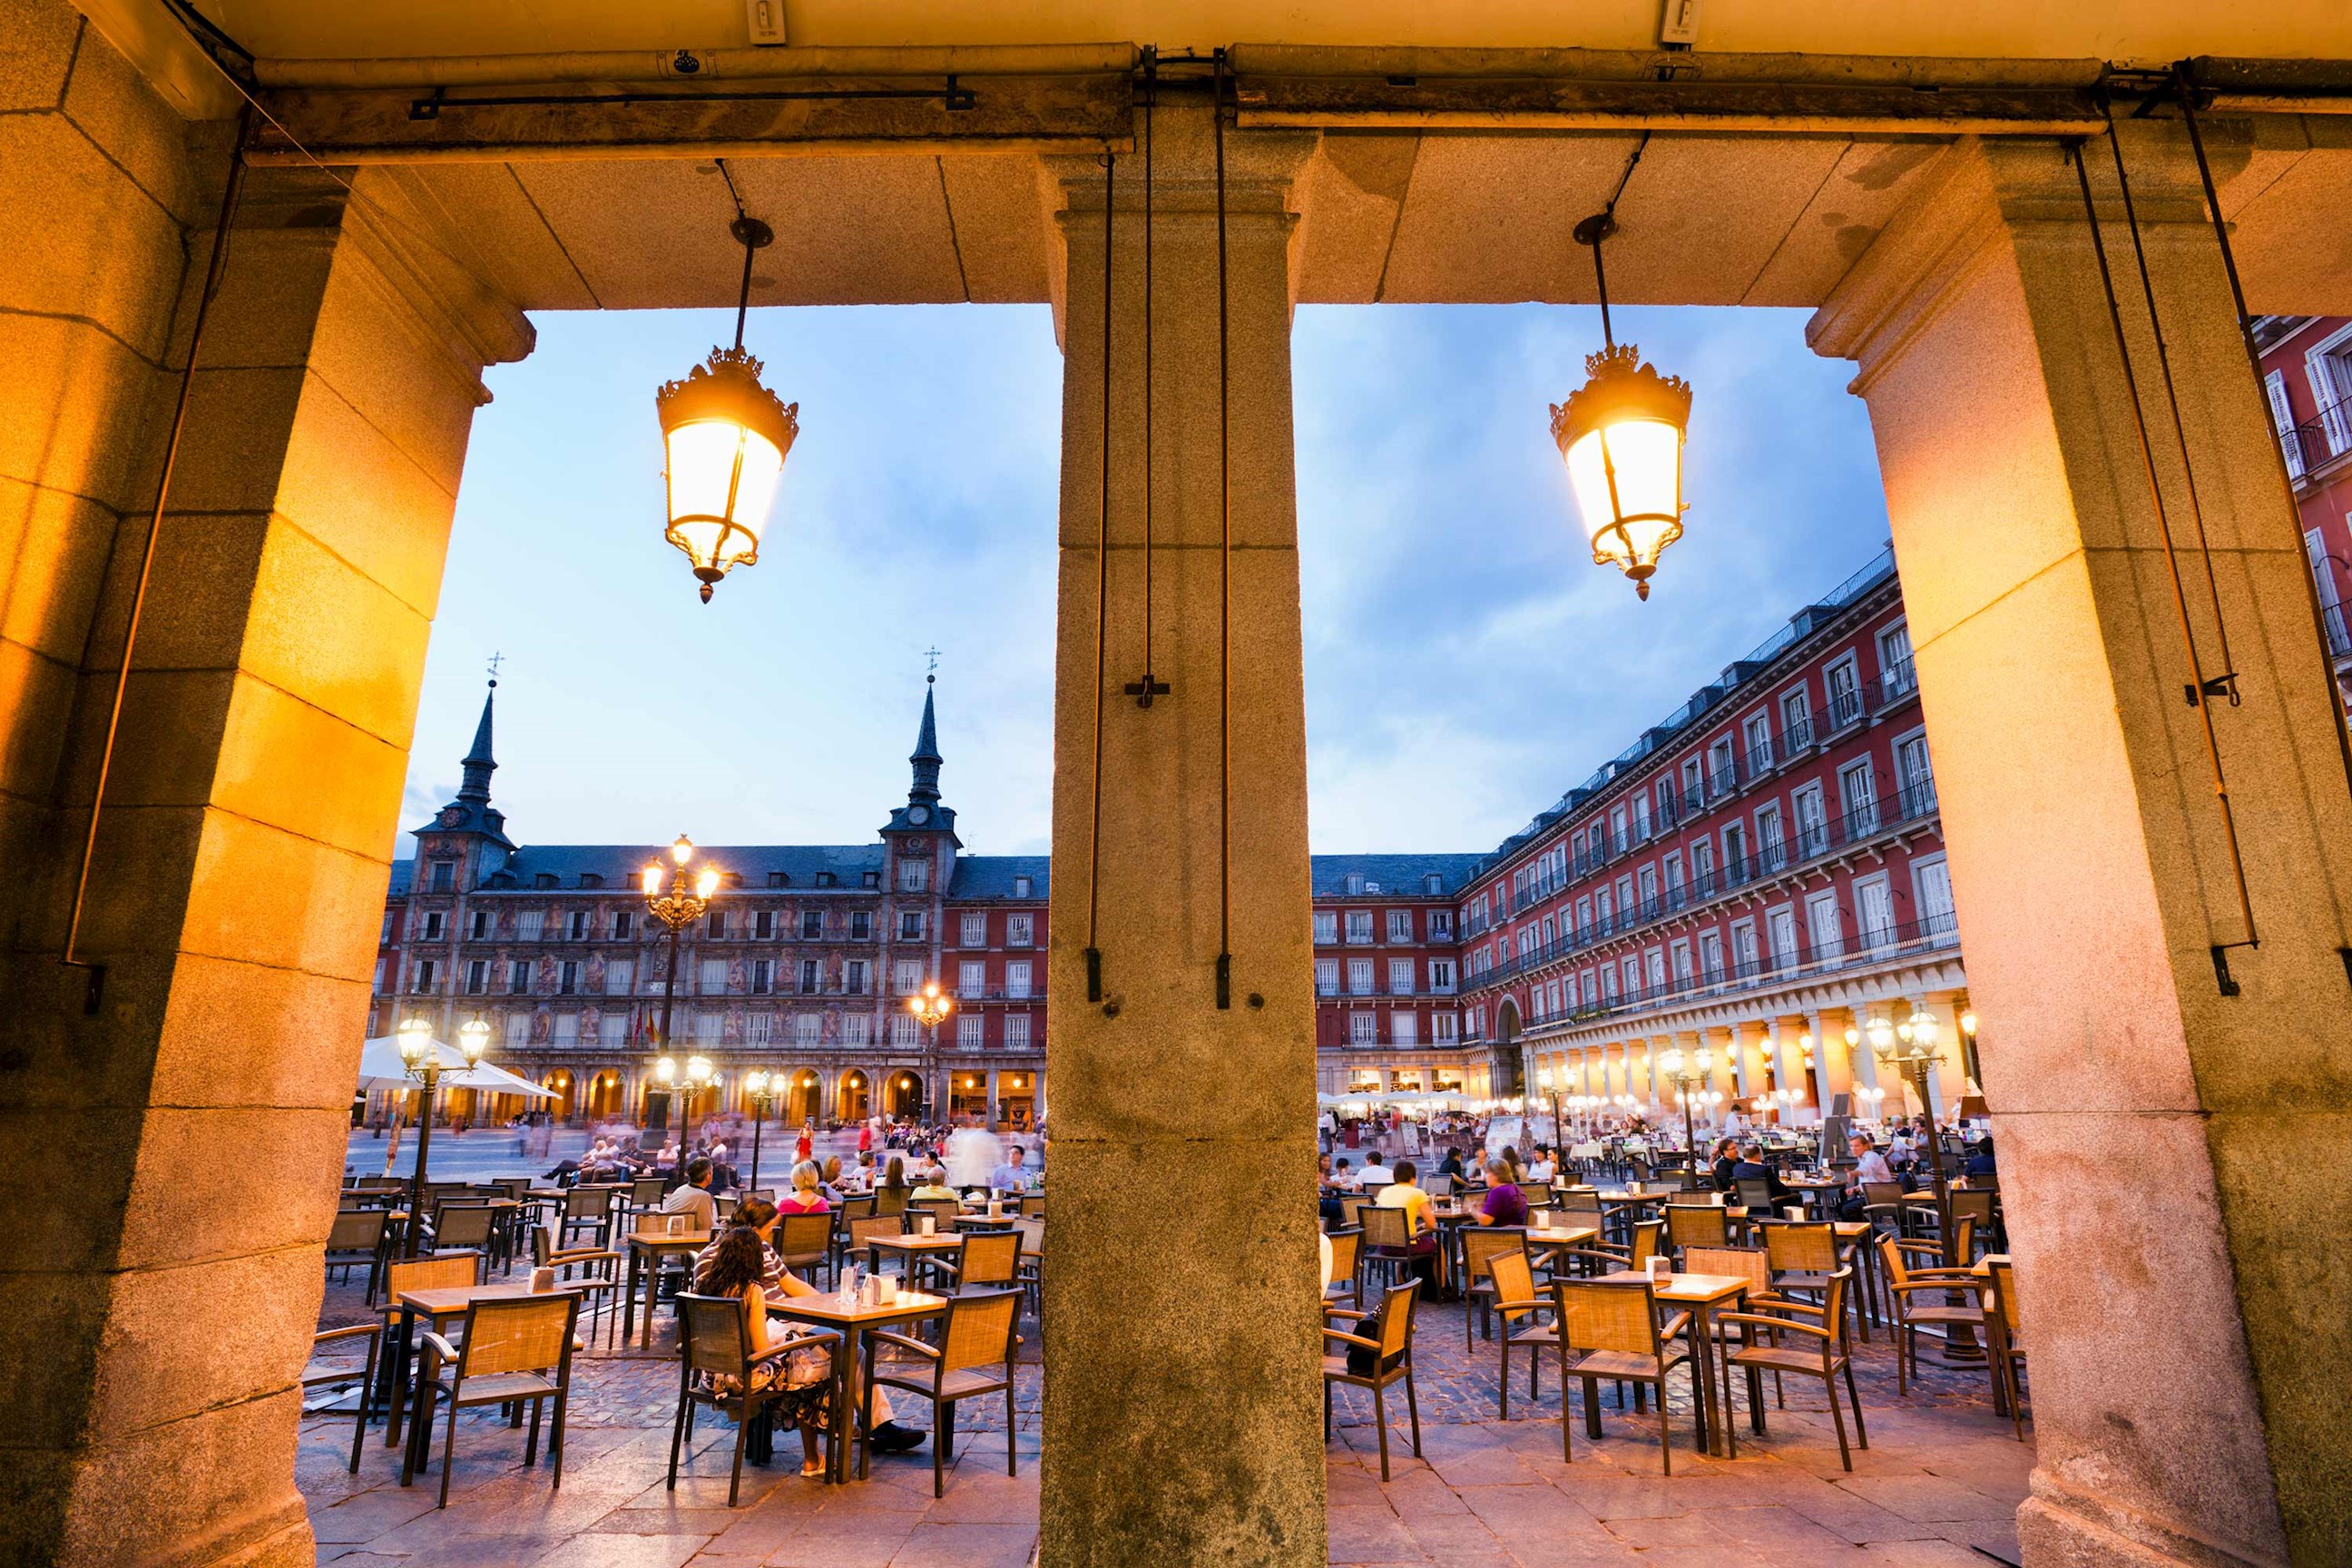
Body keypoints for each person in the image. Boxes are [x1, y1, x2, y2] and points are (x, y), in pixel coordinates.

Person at [695, 1200, 926, 1461]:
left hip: (783, 1325)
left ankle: (876, 1425)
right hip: (765, 1333)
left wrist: (829, 1305)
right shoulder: (724, 1267)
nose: (771, 1235)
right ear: (750, 1228)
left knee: (847, 1345)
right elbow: (729, 1319)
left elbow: (791, 1283)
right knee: (843, 1351)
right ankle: (846, 1430)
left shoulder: (764, 1250)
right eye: (769, 1229)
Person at [1374, 1159, 1441, 1295]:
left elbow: (1377, 1219)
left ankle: (1400, 1281)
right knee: (1437, 1245)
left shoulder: (1384, 1192)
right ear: (1413, 1178)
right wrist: (1422, 1226)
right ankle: (1442, 1289)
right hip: (1407, 1247)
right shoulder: (1417, 1193)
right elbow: (1432, 1223)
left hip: (1384, 1246)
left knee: (1405, 1237)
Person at [661, 1157, 719, 1230]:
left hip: (672, 1232)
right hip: (687, 1236)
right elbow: (706, 1227)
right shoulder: (703, 1196)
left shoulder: (680, 1189)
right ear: (708, 1176)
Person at [1472, 1159, 1526, 1228]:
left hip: (1500, 1235)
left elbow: (1485, 1221)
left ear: (1496, 1175)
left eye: (1486, 1173)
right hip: (1517, 1234)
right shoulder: (1516, 1188)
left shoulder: (1497, 1192)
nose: (1485, 1177)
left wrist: (1472, 1210)